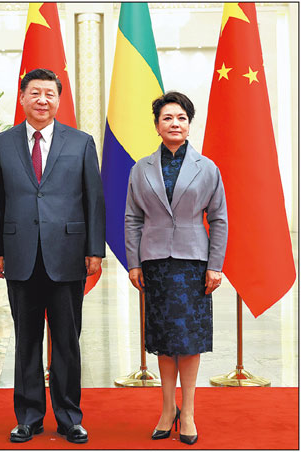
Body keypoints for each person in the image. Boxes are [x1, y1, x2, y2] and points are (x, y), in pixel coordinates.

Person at [0, 68, 106, 444]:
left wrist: (94, 251)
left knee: (67, 340)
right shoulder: (3, 143)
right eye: (34, 93)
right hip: (20, 254)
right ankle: (28, 416)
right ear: (22, 98)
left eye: (49, 94)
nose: (42, 100)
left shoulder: (81, 142)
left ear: (59, 99)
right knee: (26, 340)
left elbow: (93, 201)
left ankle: (70, 416)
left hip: (68, 255)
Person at [124, 91, 228, 445]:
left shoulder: (207, 167)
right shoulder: (140, 168)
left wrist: (215, 265)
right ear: (156, 125)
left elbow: (219, 218)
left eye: (181, 117)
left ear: (189, 123)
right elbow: (132, 218)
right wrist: (134, 262)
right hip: (154, 263)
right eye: (167, 118)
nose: (174, 123)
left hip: (193, 263)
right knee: (164, 342)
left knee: (189, 341)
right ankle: (167, 409)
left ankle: (189, 412)